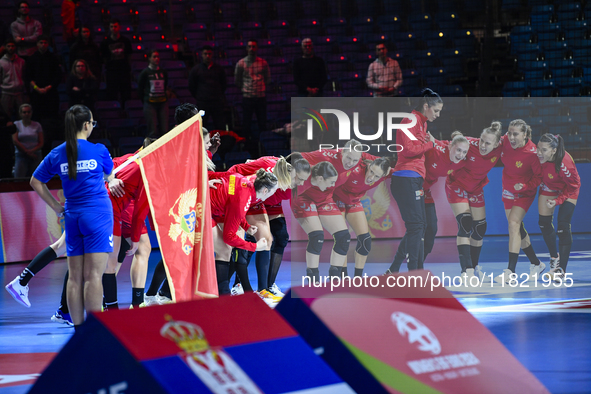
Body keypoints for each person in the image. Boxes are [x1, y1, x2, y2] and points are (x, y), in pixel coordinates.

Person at [29, 105, 113, 329]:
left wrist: (57, 206)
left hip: (72, 217)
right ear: (87, 125)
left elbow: (35, 181)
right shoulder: (99, 150)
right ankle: (95, 332)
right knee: (94, 276)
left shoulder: (57, 152)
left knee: (75, 277)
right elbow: (110, 175)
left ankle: (79, 331)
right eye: (92, 123)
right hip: (98, 215)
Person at [225, 155, 309, 300]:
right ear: (289, 172)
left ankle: (265, 288)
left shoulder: (295, 183)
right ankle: (232, 285)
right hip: (250, 199)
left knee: (274, 238)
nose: (301, 183)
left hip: (268, 203)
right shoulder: (267, 166)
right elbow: (237, 169)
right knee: (244, 243)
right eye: (299, 179)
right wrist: (229, 190)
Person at [387, 132, 469, 275]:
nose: (461, 154)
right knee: (417, 228)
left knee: (430, 229)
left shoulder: (461, 161)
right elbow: (430, 143)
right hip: (412, 185)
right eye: (458, 150)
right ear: (451, 146)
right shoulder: (437, 149)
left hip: (425, 190)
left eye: (464, 152)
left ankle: (399, 267)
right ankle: (412, 270)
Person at [444, 121, 504, 280]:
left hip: (476, 187)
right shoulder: (469, 144)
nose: (482, 145)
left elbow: (517, 142)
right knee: (465, 223)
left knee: (480, 228)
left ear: (496, 144)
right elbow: (453, 142)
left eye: (487, 143)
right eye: (481, 141)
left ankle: (475, 267)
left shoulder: (501, 147)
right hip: (457, 184)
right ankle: (466, 270)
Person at [388, 88, 440, 272]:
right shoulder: (409, 121)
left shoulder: (422, 123)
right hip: (406, 178)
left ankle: (397, 270)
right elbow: (407, 150)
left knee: (419, 226)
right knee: (417, 226)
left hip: (415, 179)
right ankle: (414, 273)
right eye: (436, 111)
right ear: (426, 106)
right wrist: (430, 144)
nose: (438, 115)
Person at [209, 169, 278, 295]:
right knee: (224, 248)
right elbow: (229, 237)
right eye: (273, 191)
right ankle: (221, 293)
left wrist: (246, 226)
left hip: (204, 206)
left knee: (224, 250)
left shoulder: (243, 181)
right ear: (265, 191)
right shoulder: (244, 200)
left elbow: (232, 208)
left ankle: (222, 293)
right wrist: (255, 247)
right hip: (197, 209)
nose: (273, 195)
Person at [496, 119, 544, 284]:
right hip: (508, 188)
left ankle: (510, 271)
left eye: (515, 133)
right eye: (509, 133)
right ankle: (536, 264)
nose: (511, 137)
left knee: (513, 224)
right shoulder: (506, 141)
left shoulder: (533, 153)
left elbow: (539, 177)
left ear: (524, 134)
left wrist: (525, 185)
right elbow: (490, 139)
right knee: (517, 228)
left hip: (525, 192)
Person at [333, 154, 392, 277]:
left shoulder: (384, 174)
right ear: (369, 165)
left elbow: (405, 171)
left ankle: (358, 278)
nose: (371, 177)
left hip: (353, 201)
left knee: (365, 241)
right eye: (371, 172)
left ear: (383, 176)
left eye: (377, 176)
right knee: (342, 239)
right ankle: (343, 276)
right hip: (336, 199)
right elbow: (344, 153)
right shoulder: (354, 168)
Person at [537, 133, 580, 281]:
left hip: (568, 189)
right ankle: (554, 257)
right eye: (538, 148)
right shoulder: (538, 158)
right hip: (550, 186)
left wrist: (558, 201)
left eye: (543, 150)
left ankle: (561, 269)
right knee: (543, 223)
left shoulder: (564, 163)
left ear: (553, 151)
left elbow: (573, 186)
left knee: (562, 226)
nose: (539, 153)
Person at [234, 39, 270, 139]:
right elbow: (237, 80)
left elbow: (267, 79)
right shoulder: (241, 63)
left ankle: (264, 144)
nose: (251, 49)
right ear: (246, 48)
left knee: (262, 123)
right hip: (247, 98)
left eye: (253, 46)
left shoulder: (263, 63)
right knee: (246, 123)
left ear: (257, 48)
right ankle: (246, 145)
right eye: (249, 46)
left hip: (260, 97)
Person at [188, 45, 227, 131]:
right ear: (201, 55)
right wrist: (200, 96)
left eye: (209, 54)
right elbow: (191, 86)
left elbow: (224, 84)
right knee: (202, 125)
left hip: (216, 102)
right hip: (203, 103)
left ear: (212, 55)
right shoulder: (196, 70)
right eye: (205, 54)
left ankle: (221, 143)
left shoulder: (219, 69)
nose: (207, 56)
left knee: (219, 124)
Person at [25, 35, 63, 123]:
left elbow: (58, 76)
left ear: (48, 44)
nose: (43, 45)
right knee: (37, 117)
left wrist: (49, 87)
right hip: (36, 92)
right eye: (41, 43)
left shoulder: (54, 58)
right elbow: (28, 76)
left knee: (52, 116)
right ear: (37, 44)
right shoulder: (32, 58)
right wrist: (36, 88)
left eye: (45, 43)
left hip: (51, 92)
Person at [138, 49, 169, 138]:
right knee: (153, 131)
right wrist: (145, 100)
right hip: (150, 103)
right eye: (154, 57)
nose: (156, 59)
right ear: (149, 58)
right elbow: (140, 88)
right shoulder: (145, 73)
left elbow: (165, 84)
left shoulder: (163, 72)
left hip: (163, 103)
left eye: (158, 57)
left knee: (165, 130)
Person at [100, 19, 132, 105]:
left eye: (115, 26)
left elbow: (129, 55)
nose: (113, 28)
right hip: (112, 72)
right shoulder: (105, 43)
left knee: (125, 94)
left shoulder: (126, 41)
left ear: (119, 27)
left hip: (124, 71)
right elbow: (103, 58)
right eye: (111, 26)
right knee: (112, 94)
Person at [12, 103, 43, 177]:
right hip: (21, 154)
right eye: (24, 112)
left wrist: (32, 152)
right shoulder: (16, 124)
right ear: (20, 113)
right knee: (18, 179)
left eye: (28, 112)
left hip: (35, 154)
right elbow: (15, 141)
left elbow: (41, 142)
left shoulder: (37, 125)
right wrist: (27, 152)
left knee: (37, 179)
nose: (26, 114)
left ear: (31, 113)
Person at [0, 39, 26, 120]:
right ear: (5, 47)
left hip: (19, 92)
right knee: (6, 118)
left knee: (22, 117)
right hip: (6, 93)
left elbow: (25, 76)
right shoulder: (1, 62)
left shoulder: (21, 61)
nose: (11, 48)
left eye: (12, 46)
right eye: (8, 46)